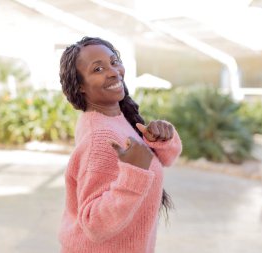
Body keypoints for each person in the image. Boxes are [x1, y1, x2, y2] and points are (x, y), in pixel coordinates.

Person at [58, 36, 182, 253]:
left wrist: (163, 139)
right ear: (80, 86)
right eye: (98, 69)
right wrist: (133, 173)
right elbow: (93, 225)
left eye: (114, 62)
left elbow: (166, 159)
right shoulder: (101, 135)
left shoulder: (116, 118)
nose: (114, 71)